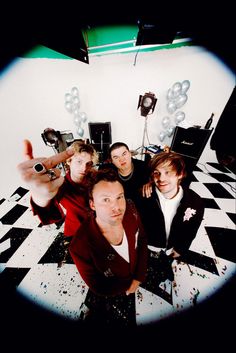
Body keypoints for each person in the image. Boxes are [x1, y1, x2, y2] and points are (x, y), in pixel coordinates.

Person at [69, 168, 148, 327]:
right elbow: (98, 285)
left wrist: (139, 276)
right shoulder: (79, 246)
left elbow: (142, 240)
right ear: (92, 204)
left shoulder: (131, 208)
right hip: (114, 290)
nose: (117, 207)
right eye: (106, 200)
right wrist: (128, 285)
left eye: (120, 197)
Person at [17, 139, 99, 238]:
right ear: (69, 161)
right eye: (79, 161)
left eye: (88, 163)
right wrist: (40, 197)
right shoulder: (61, 185)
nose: (84, 168)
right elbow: (48, 210)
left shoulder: (95, 178)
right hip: (77, 233)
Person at [136, 151, 205, 259]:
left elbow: (191, 229)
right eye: (156, 173)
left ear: (180, 174)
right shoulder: (144, 197)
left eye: (168, 172)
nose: (161, 179)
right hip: (150, 246)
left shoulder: (195, 202)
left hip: (173, 248)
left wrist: (181, 248)